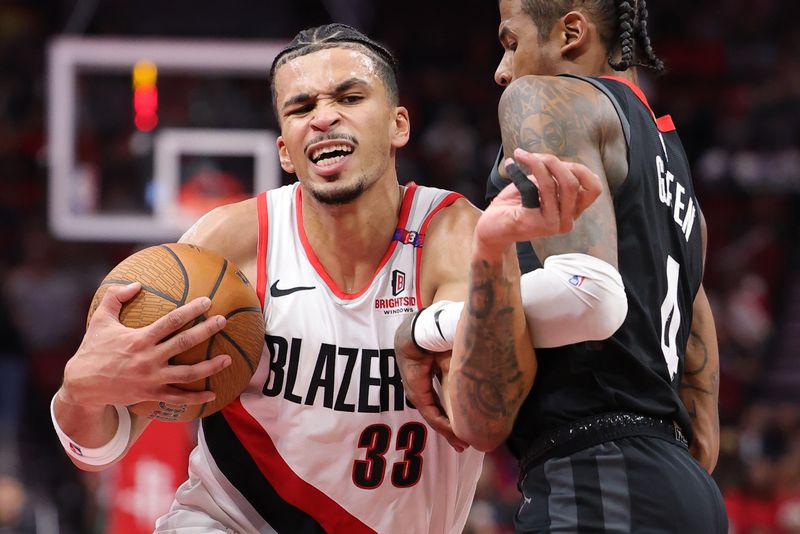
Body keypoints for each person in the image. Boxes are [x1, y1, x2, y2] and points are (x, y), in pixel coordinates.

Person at [50, 23, 599, 533]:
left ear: (398, 125)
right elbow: (101, 443)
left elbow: (477, 421)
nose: (323, 116)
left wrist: (492, 258)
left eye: (349, 97)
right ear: (286, 150)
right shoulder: (227, 244)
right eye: (302, 106)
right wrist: (82, 389)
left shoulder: (454, 237)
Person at [396, 1, 728, 532]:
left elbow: (588, 297)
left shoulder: (544, 97)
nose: (501, 72)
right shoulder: (677, 174)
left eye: (510, 42)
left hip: (598, 479)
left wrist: (427, 327)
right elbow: (704, 434)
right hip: (682, 488)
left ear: (570, 32)